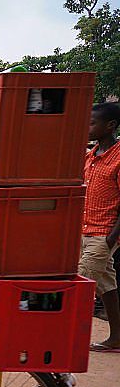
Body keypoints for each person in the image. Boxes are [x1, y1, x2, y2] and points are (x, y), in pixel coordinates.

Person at [81, 101, 120, 352]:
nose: (88, 127)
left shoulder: (118, 158)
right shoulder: (90, 156)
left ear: (111, 126)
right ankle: (117, 338)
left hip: (102, 233)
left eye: (93, 123)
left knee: (78, 286)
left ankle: (63, 340)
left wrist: (110, 238)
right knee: (106, 285)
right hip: (84, 230)